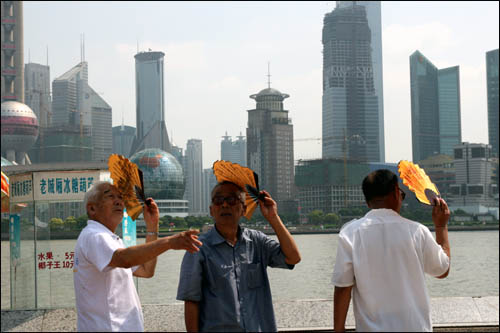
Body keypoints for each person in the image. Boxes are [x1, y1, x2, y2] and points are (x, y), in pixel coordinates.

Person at [73, 181, 203, 332]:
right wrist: (170, 242)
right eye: (110, 196)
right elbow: (124, 259)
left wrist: (152, 226)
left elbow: (146, 270)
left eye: (120, 197)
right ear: (92, 208)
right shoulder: (94, 236)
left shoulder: (111, 239)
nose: (118, 201)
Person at [332, 169, 451, 332]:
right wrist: (441, 226)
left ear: (367, 202)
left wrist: (339, 330)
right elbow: (442, 270)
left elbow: (342, 287)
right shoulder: (417, 231)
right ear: (396, 192)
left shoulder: (350, 233)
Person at [176, 181, 301, 332]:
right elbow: (191, 301)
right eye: (218, 200)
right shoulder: (197, 248)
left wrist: (273, 217)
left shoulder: (257, 241)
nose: (224, 205)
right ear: (211, 210)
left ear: (244, 209)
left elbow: (293, 258)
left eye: (231, 200)